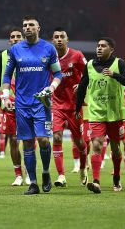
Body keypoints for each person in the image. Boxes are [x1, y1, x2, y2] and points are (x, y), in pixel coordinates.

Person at [1, 15, 63, 195]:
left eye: (31, 25)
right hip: (21, 104)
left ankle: (45, 172)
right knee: (27, 143)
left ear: (38, 28)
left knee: (43, 140)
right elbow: (6, 76)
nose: (27, 28)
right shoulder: (15, 50)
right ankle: (33, 183)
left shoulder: (48, 48)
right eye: (25, 25)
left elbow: (58, 74)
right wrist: (6, 96)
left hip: (42, 103)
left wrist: (51, 88)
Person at [75, 37, 125, 193]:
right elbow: (82, 87)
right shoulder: (89, 65)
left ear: (111, 50)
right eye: (98, 46)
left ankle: (116, 177)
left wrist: (115, 75)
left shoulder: (119, 64)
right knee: (96, 144)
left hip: (115, 114)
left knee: (116, 149)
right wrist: (77, 109)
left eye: (103, 46)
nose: (99, 48)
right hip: (96, 113)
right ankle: (96, 181)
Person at [49, 27, 89, 187]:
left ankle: (83, 167)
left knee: (80, 143)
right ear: (52, 40)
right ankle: (61, 176)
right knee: (57, 137)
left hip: (74, 106)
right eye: (56, 37)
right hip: (56, 105)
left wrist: (81, 84)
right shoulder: (48, 58)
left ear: (67, 40)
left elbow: (89, 73)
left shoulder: (77, 55)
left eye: (62, 37)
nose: (59, 39)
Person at [0, 27, 29, 186]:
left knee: (28, 140)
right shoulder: (2, 56)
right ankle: (18, 175)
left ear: (23, 38)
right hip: (8, 104)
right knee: (13, 140)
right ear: (9, 40)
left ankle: (29, 173)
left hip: (27, 104)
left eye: (18, 36)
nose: (15, 39)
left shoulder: (31, 55)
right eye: (12, 37)